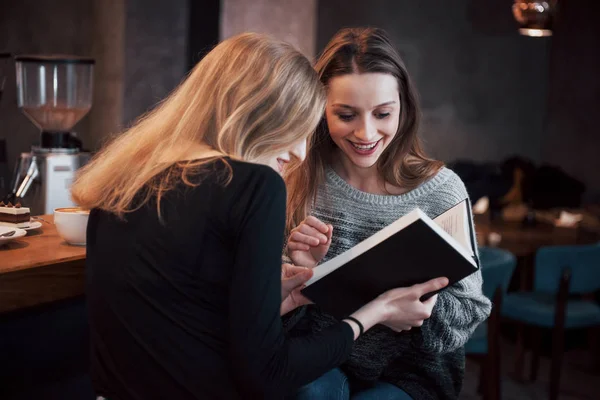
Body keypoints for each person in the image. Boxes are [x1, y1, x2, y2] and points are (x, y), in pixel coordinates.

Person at [70, 32, 448, 400]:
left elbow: (178, 313)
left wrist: (272, 297)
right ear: (256, 114)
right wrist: (374, 312)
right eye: (295, 127)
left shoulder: (121, 177)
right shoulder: (256, 185)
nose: (301, 152)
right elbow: (270, 375)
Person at [284, 28, 492, 400]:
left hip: (411, 372)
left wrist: (420, 311)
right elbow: (268, 309)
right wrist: (302, 273)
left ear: (404, 108)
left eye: (382, 113)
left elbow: (468, 314)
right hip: (320, 356)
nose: (366, 132)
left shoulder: (442, 190)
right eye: (346, 115)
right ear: (320, 111)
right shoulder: (297, 179)